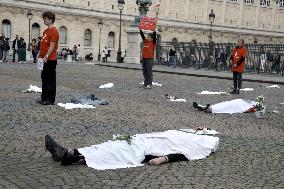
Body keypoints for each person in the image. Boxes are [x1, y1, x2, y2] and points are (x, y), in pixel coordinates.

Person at [45, 129, 219, 169]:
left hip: (143, 151)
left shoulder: (193, 147)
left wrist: (163, 159)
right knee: (108, 146)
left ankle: (70, 156)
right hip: (140, 140)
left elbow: (183, 155)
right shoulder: (183, 134)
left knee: (114, 153)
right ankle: (70, 153)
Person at [36, 11, 59, 105]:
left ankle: (50, 99)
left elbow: (52, 45)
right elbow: (43, 45)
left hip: (50, 59)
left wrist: (46, 56)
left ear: (50, 19)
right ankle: (44, 98)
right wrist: (39, 54)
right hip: (43, 59)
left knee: (50, 79)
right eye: (44, 18)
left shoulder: (54, 31)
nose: (44, 20)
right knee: (44, 78)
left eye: (45, 18)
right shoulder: (45, 31)